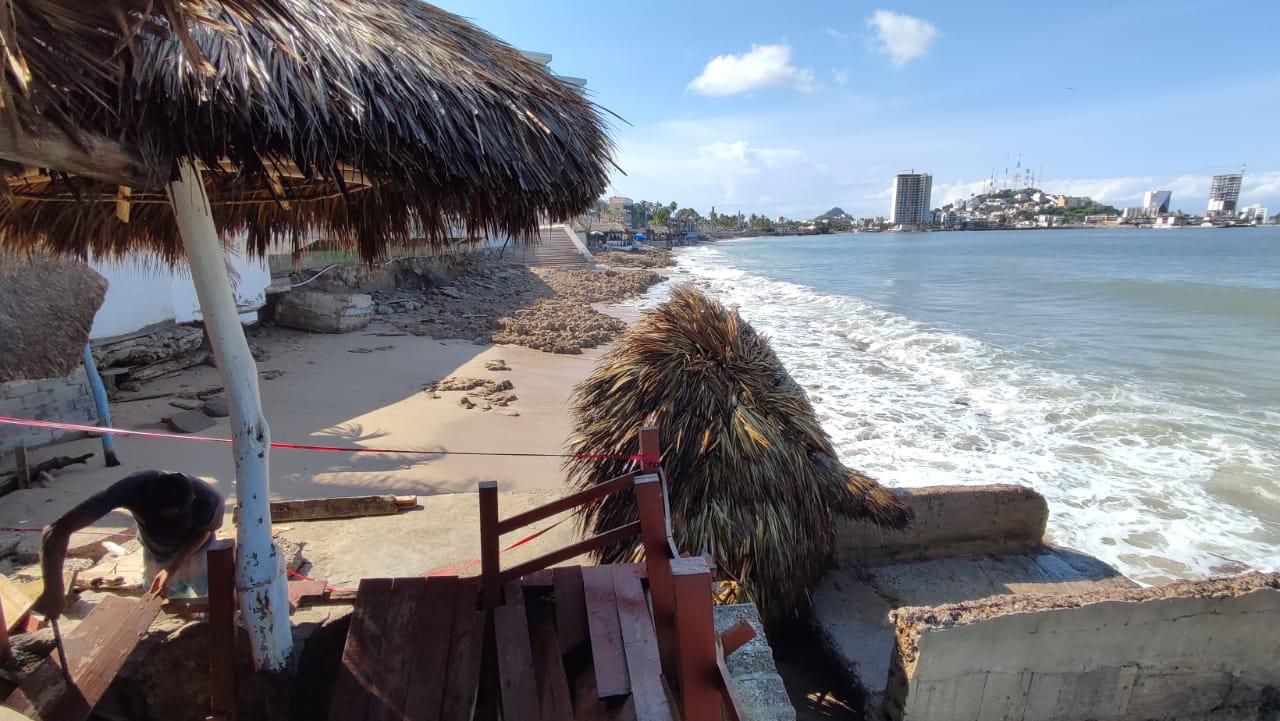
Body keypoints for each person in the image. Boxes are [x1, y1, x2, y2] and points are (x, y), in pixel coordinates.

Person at [33, 470, 225, 619]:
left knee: (214, 600)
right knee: (165, 597)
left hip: (197, 550)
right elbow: (56, 530)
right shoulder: (130, 490)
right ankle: (187, 623)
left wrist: (171, 568)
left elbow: (204, 532)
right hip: (155, 550)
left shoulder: (210, 500)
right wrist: (53, 589)